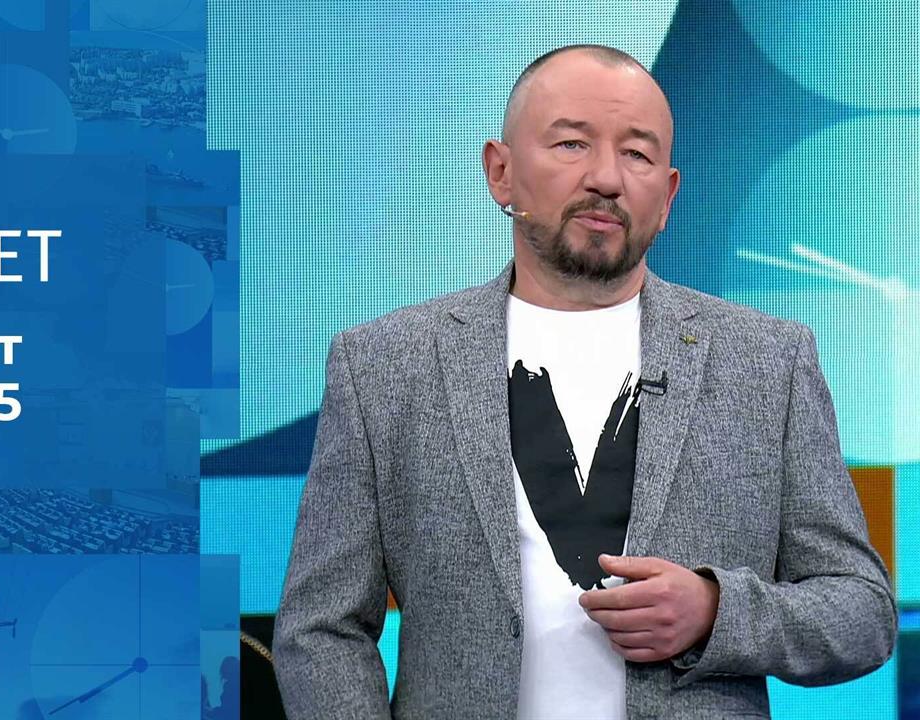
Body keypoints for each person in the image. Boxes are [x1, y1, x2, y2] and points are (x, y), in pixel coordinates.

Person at [272, 44, 897, 719]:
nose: (606, 177)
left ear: (668, 195)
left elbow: (861, 612)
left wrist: (716, 611)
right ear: (501, 173)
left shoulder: (768, 361)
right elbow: (321, 629)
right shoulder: (385, 366)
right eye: (571, 144)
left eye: (637, 154)